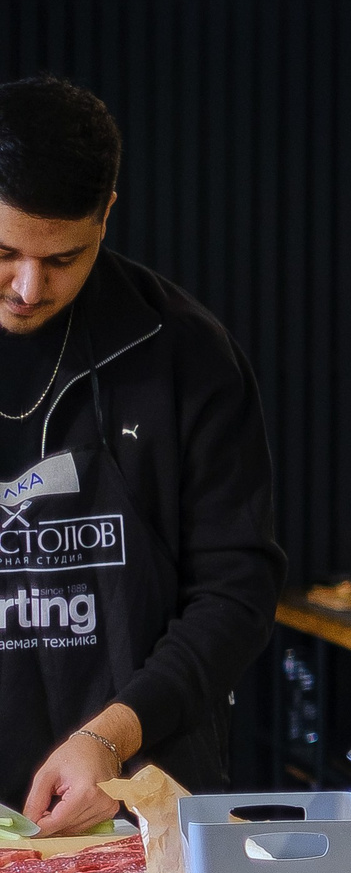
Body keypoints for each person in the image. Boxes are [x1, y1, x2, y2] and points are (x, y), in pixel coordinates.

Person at [0, 76, 283, 830]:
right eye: (4, 252)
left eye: (64, 257)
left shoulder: (184, 352)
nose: (29, 286)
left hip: (142, 800)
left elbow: (237, 593)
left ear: (108, 215)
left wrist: (108, 736)